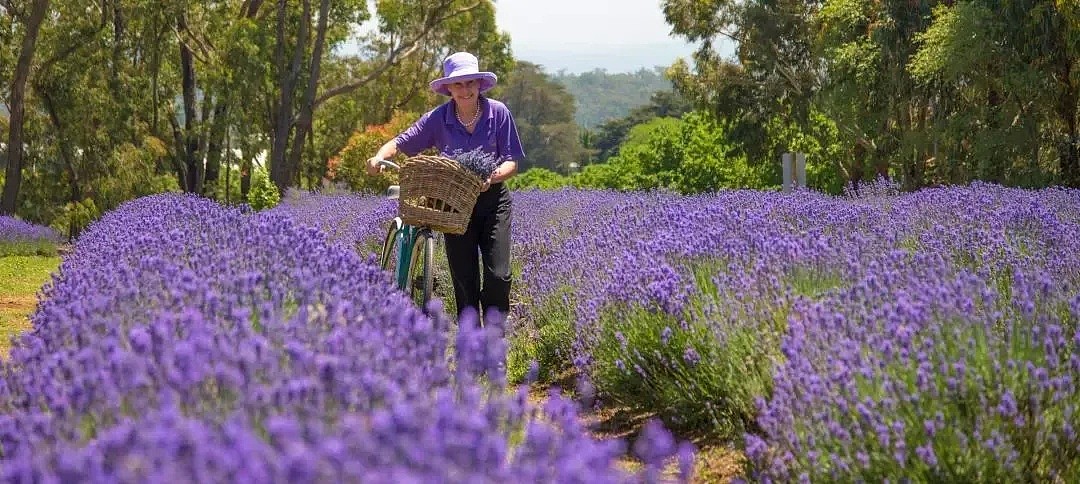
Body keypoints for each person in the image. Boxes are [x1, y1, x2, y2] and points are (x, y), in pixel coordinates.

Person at [367, 51, 524, 324]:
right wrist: (379, 156)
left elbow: (512, 161)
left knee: (499, 274)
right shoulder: (438, 118)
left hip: (493, 202)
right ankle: (470, 346)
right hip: (453, 208)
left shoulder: (498, 113)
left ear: (479, 84)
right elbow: (402, 141)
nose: (465, 90)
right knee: (464, 280)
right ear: (449, 88)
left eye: (470, 83)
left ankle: (494, 338)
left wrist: (492, 176)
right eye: (458, 84)